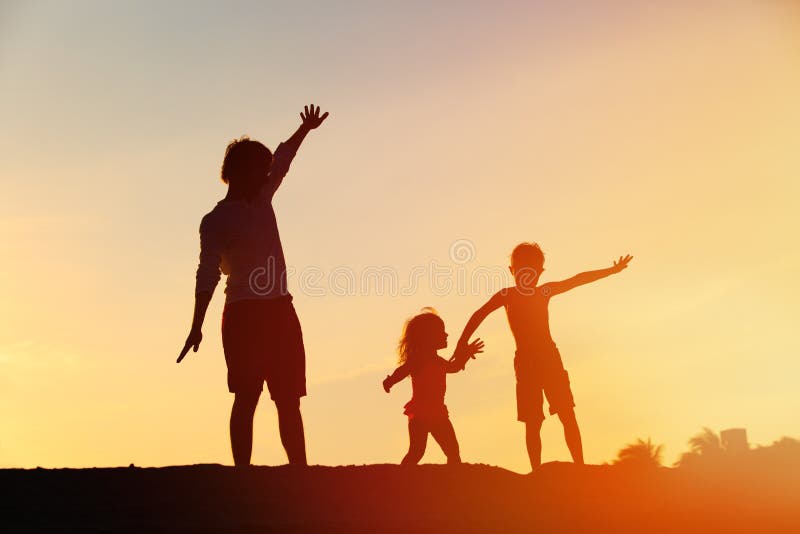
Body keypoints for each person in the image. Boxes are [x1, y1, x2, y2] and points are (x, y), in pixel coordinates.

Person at [177, 104, 329, 467]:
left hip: (280, 310)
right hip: (244, 314)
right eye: (260, 167)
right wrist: (197, 325)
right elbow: (208, 272)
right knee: (246, 397)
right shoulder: (216, 220)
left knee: (289, 398)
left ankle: (299, 472)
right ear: (239, 171)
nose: (267, 172)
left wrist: (304, 130)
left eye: (266, 167)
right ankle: (241, 474)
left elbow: (284, 159)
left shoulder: (263, 199)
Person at [455, 242, 632, 471]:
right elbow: (479, 314)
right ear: (512, 271)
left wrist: (611, 271)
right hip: (526, 363)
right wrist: (461, 344)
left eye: (533, 270)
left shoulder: (544, 291)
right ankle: (536, 471)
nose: (527, 276)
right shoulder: (507, 295)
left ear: (540, 272)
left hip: (549, 359)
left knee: (566, 412)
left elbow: (577, 280)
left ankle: (580, 466)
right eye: (521, 270)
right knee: (533, 421)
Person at [383, 308, 484, 465]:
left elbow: (454, 367)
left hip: (438, 414)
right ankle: (401, 477)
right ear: (428, 337)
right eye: (441, 332)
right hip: (420, 414)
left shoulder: (438, 360)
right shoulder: (419, 359)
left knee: (452, 450)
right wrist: (390, 381)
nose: (446, 335)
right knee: (417, 451)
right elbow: (404, 370)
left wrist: (465, 355)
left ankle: (453, 481)